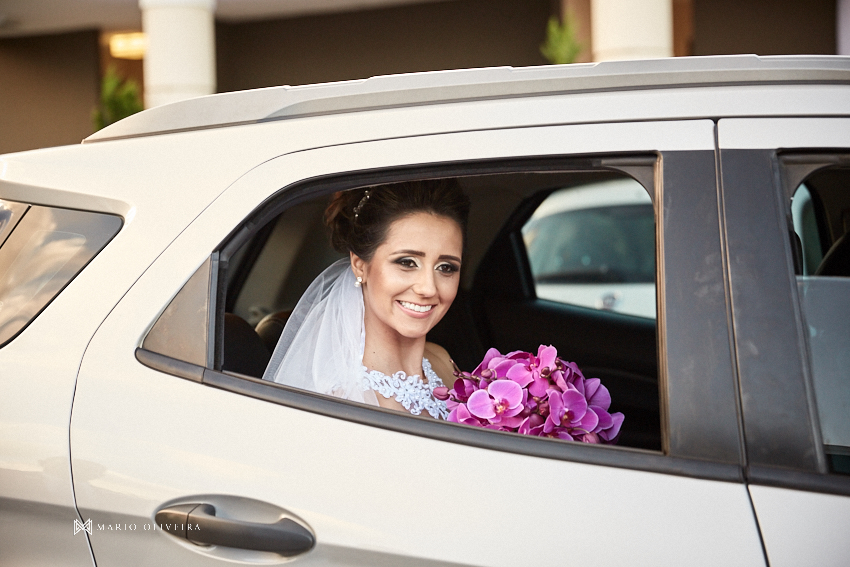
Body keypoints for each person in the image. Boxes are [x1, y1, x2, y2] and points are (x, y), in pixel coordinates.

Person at [263, 179, 470, 420]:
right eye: (407, 262)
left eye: (446, 267)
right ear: (360, 265)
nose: (428, 288)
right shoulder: (336, 394)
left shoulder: (442, 361)